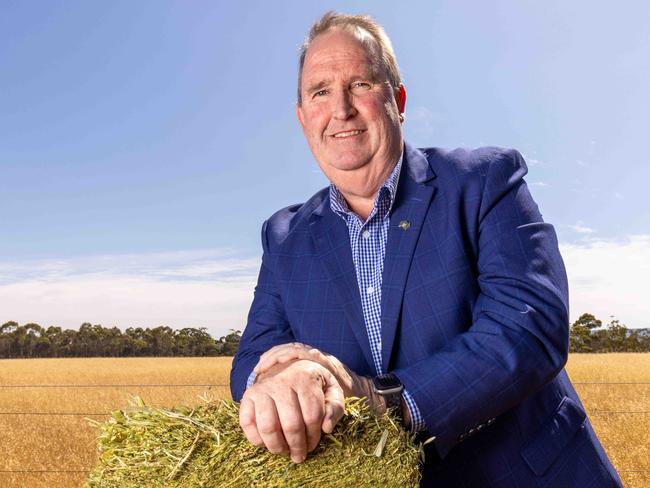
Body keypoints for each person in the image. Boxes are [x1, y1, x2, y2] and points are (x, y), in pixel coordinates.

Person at [230, 11, 622, 487]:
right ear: (302, 117)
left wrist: (383, 399)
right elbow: (252, 357)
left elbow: (529, 326)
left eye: (359, 85)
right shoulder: (284, 236)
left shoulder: (483, 182)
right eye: (320, 92)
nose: (341, 110)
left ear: (397, 100)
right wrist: (287, 373)